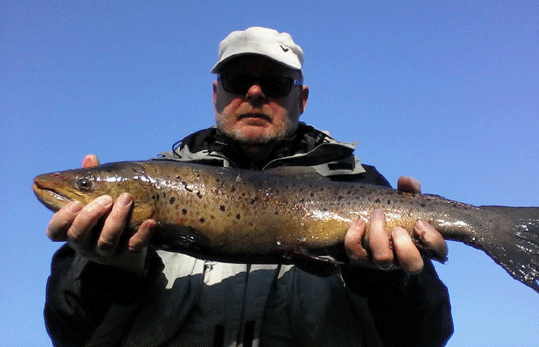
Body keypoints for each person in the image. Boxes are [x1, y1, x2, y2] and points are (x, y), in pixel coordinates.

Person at [44, 27, 453, 347]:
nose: (254, 93)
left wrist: (386, 281)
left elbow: (425, 338)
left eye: (275, 85)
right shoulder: (160, 177)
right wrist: (107, 270)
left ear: (302, 98)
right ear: (216, 93)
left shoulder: (361, 186)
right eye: (238, 80)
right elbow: (71, 337)